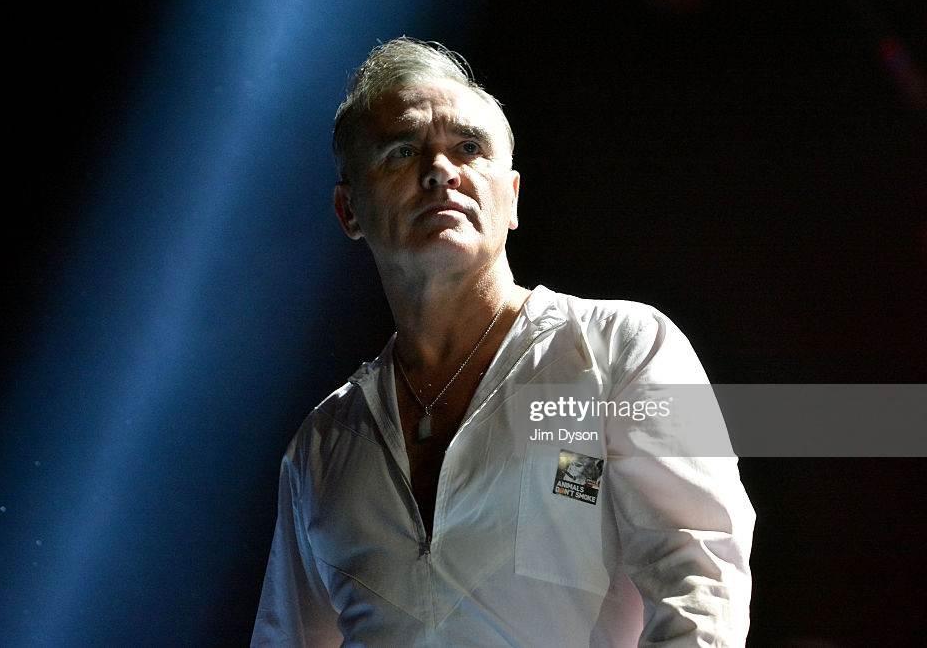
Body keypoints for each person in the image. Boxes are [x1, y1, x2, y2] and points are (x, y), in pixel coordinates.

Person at [252, 37, 755, 646]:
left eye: (469, 147)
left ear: (512, 197)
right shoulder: (321, 447)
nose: (441, 170)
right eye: (402, 151)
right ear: (348, 210)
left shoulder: (624, 349)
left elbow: (701, 581)